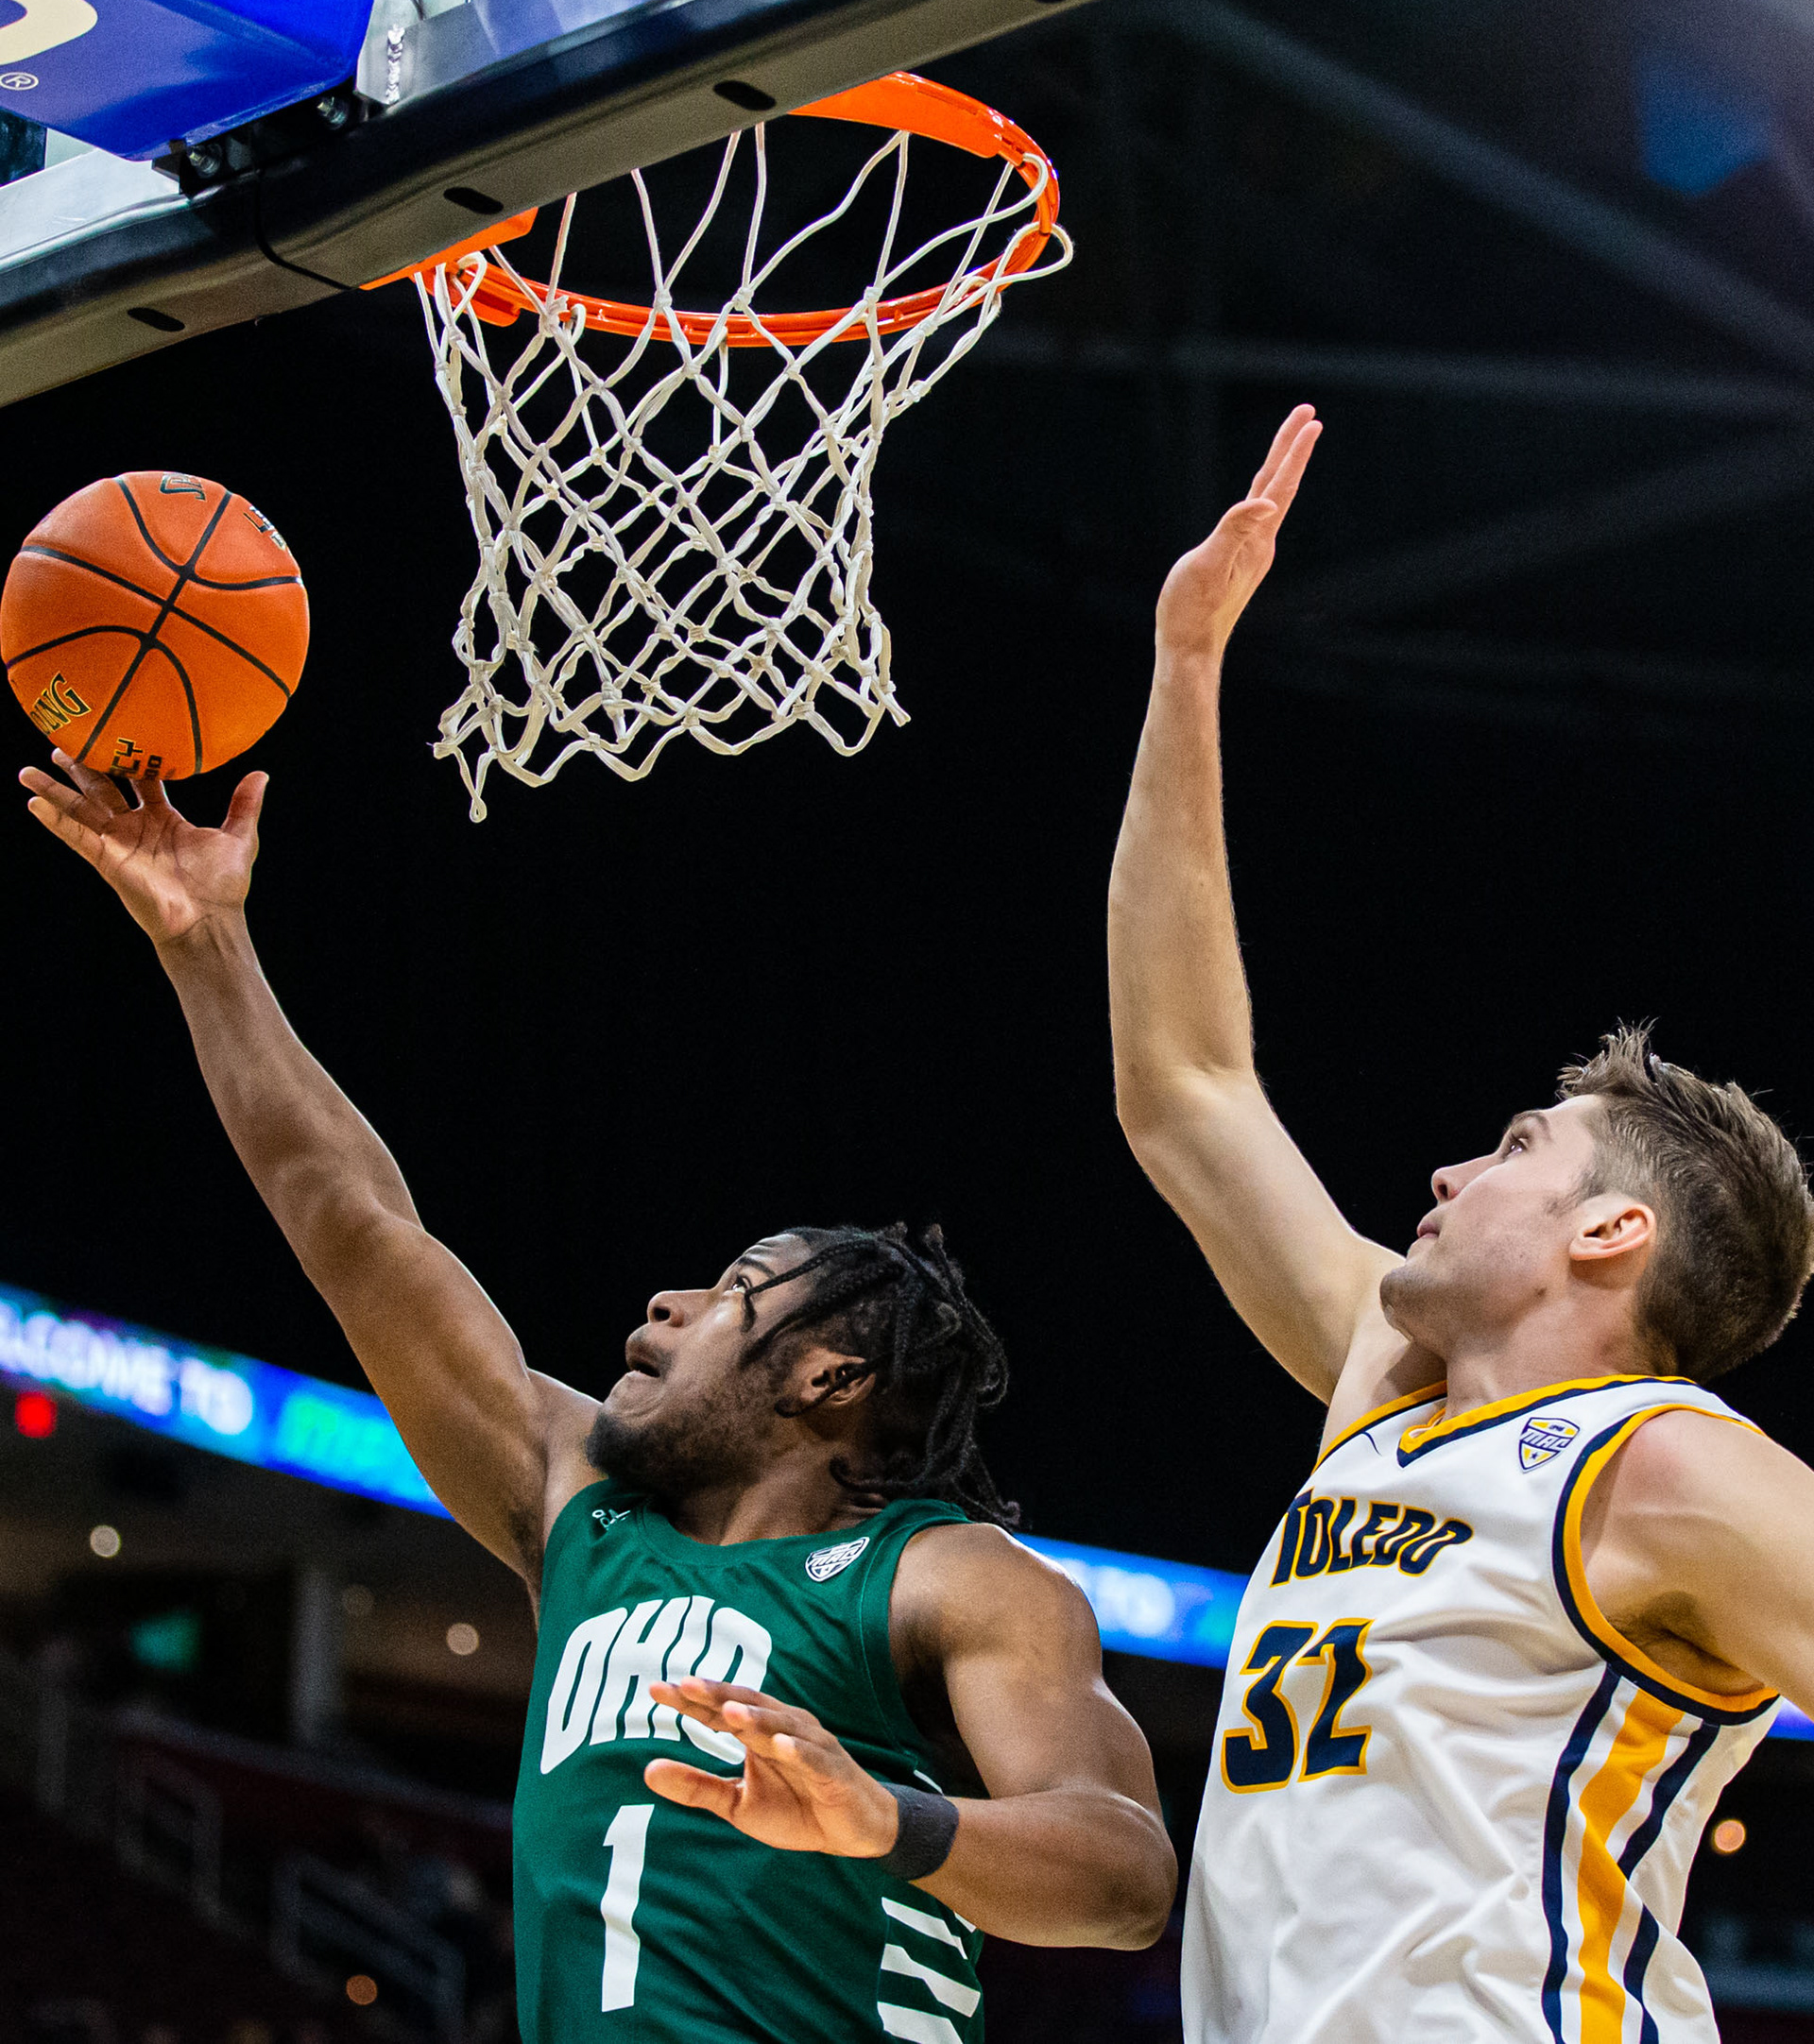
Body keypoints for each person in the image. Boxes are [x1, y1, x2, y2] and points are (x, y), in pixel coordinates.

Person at [21, 751, 1175, 2044]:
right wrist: (205, 942)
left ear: (831, 1375)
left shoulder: (949, 1578)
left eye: (734, 1289)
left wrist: (879, 1817)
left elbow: (1125, 1874)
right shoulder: (577, 1500)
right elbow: (352, 1221)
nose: (660, 1308)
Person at [1107, 404, 1814, 2044]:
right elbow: (1187, 1086)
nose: (1447, 1173)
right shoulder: (1390, 1381)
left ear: (1612, 1230)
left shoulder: (1668, 1463)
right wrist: (1186, 659)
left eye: (1513, 1146)